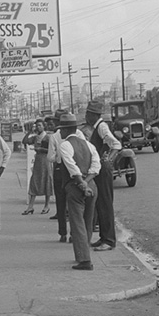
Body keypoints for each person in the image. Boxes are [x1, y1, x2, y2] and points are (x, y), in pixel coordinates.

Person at [57, 113, 100, 270]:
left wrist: (82, 184)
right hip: (91, 186)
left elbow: (72, 167)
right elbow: (96, 167)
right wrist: (87, 183)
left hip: (76, 187)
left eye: (61, 129)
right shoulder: (88, 145)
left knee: (77, 223)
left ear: (67, 130)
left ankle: (84, 260)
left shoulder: (65, 145)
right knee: (88, 222)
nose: (60, 132)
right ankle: (83, 253)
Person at [85, 100, 122, 252]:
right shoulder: (96, 127)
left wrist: (108, 158)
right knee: (100, 203)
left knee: (105, 204)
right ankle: (103, 237)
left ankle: (109, 240)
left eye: (88, 113)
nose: (86, 116)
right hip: (99, 169)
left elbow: (116, 145)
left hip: (103, 169)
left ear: (94, 115)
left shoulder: (101, 126)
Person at [47, 109, 86, 243]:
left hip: (66, 169)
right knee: (68, 203)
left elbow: (50, 158)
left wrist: (59, 155)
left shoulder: (59, 136)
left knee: (66, 203)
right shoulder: (59, 136)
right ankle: (67, 233)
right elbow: (50, 157)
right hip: (68, 169)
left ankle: (67, 233)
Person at [21, 118, 52, 215]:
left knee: (46, 181)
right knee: (34, 181)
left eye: (40, 125)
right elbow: (25, 141)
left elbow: (52, 150)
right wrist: (29, 131)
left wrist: (41, 149)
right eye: (37, 126)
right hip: (37, 161)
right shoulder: (35, 137)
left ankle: (46, 205)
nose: (38, 127)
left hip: (45, 160)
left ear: (44, 126)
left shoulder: (48, 137)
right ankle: (30, 206)